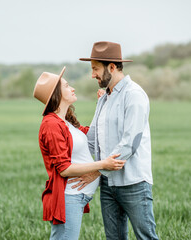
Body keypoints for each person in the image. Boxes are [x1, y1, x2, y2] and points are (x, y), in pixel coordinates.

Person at [70, 41, 159, 239]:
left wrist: (96, 170)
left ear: (111, 67)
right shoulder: (104, 98)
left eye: (95, 69)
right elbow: (92, 140)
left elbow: (130, 144)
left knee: (147, 237)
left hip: (134, 183)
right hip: (108, 185)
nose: (92, 74)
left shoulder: (134, 95)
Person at [33, 66, 126, 240]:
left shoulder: (65, 122)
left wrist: (102, 104)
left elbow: (93, 136)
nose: (72, 88)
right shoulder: (51, 124)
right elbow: (64, 169)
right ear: (56, 94)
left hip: (77, 196)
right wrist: (102, 165)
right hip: (69, 196)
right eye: (67, 86)